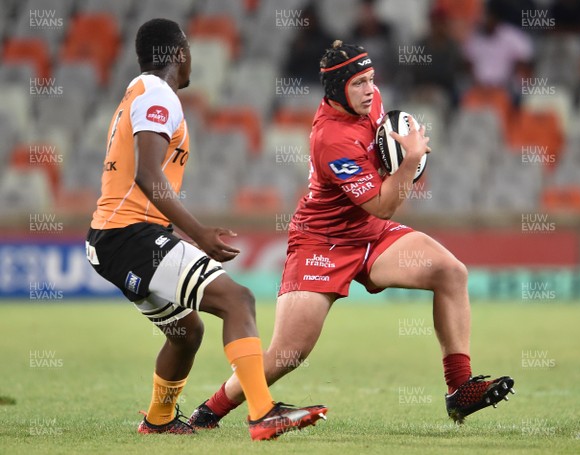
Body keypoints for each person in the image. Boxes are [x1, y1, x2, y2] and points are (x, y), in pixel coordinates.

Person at [188, 40, 515, 428]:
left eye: (371, 80)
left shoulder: (371, 100)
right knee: (289, 353)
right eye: (358, 83)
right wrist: (410, 162)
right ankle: (209, 412)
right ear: (337, 88)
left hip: (370, 235)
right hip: (321, 242)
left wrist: (400, 151)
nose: (368, 90)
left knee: (451, 272)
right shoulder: (330, 139)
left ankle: (459, 389)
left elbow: (378, 188)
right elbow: (383, 204)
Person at [85, 18, 326, 441]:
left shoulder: (139, 93)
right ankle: (262, 411)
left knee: (187, 332)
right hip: (129, 235)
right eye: (189, 49)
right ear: (179, 54)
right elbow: (147, 174)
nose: (193, 57)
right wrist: (197, 234)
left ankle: (158, 419)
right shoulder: (158, 94)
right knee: (238, 300)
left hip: (115, 239)